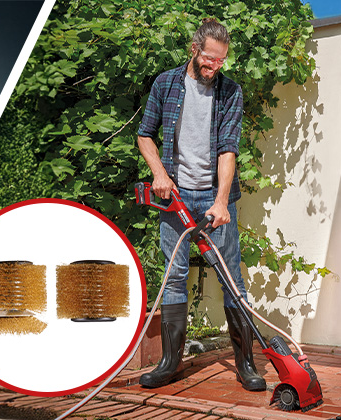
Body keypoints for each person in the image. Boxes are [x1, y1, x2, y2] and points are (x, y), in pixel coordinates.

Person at [136, 18, 265, 392]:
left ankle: (246, 363)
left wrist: (222, 200)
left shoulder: (230, 92)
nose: (213, 67)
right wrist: (159, 174)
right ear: (194, 49)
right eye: (209, 59)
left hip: (212, 197)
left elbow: (228, 149)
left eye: (220, 61)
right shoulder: (165, 83)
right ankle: (170, 363)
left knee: (231, 278)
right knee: (174, 275)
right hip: (174, 195)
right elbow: (145, 135)